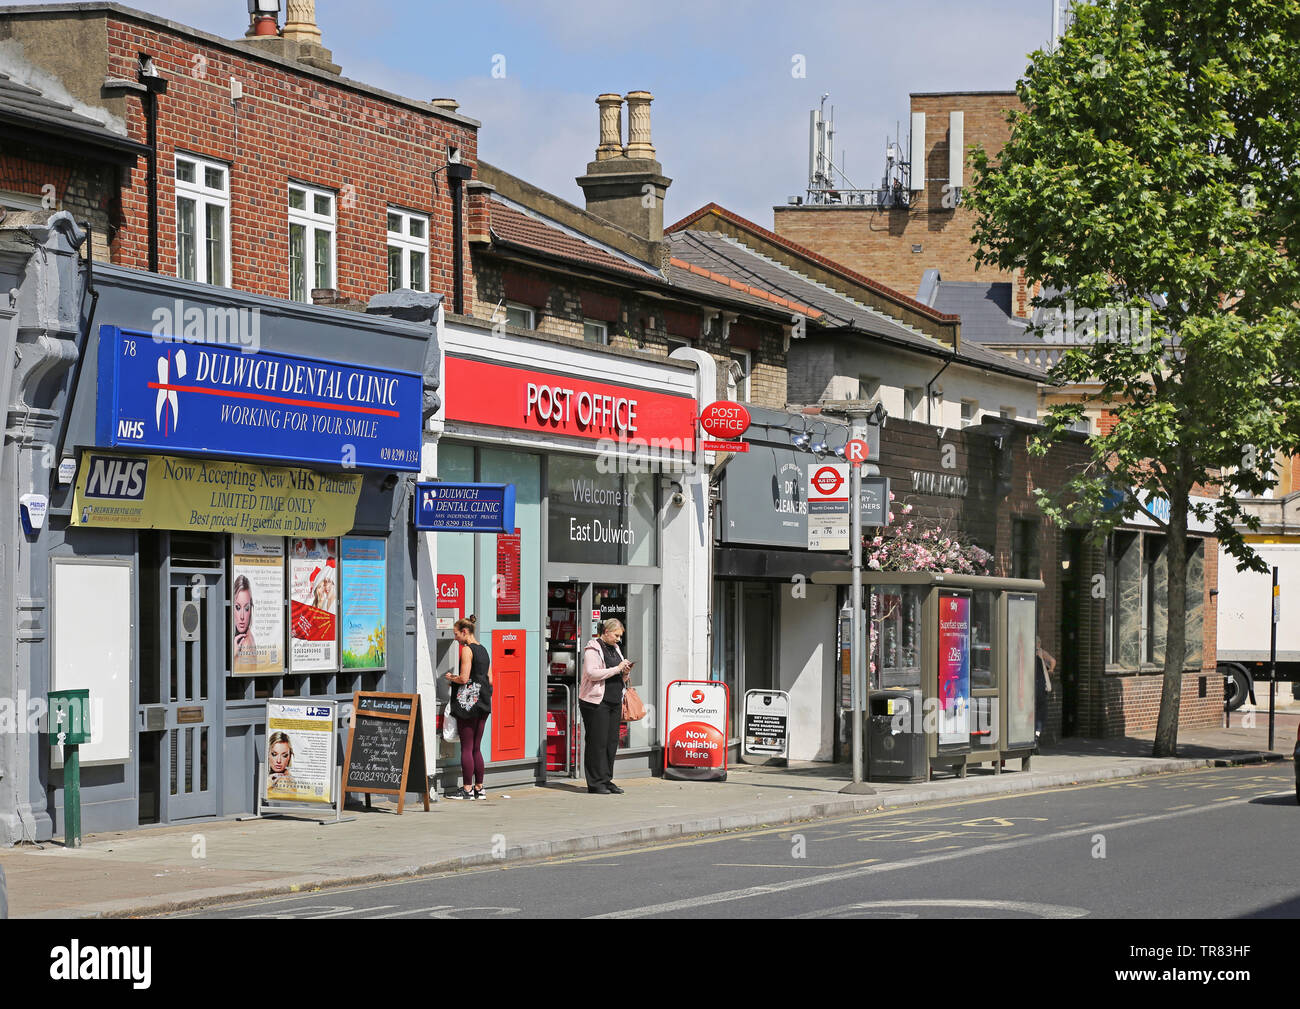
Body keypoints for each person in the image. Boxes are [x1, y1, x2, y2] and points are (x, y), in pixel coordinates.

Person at [580, 618, 631, 795]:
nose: (618, 639)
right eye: (616, 635)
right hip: (596, 702)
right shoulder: (593, 649)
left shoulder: (615, 648)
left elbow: (617, 673)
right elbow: (592, 673)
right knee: (597, 743)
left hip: (614, 700)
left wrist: (624, 673)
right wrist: (617, 669)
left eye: (620, 636)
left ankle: (607, 779)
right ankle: (595, 783)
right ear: (606, 632)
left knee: (611, 743)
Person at [445, 614, 492, 800]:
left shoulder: (467, 650)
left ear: (465, 632)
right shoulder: (484, 649)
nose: (455, 638)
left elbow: (464, 678)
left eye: (456, 634)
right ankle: (479, 788)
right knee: (476, 748)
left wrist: (451, 679)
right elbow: (490, 678)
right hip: (483, 702)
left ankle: (466, 789)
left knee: (466, 747)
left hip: (468, 703)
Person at [1035, 635, 1056, 749]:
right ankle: (1036, 736)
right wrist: (1051, 670)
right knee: (1040, 713)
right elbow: (1053, 661)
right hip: (1040, 689)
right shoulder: (1040, 652)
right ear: (1038, 643)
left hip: (1027, 689)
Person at [232, 575, 257, 669]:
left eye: (246, 608)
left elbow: (243, 679)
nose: (242, 617)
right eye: (238, 608)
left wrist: (234, 656)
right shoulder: (241, 640)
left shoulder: (245, 642)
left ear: (251, 609)